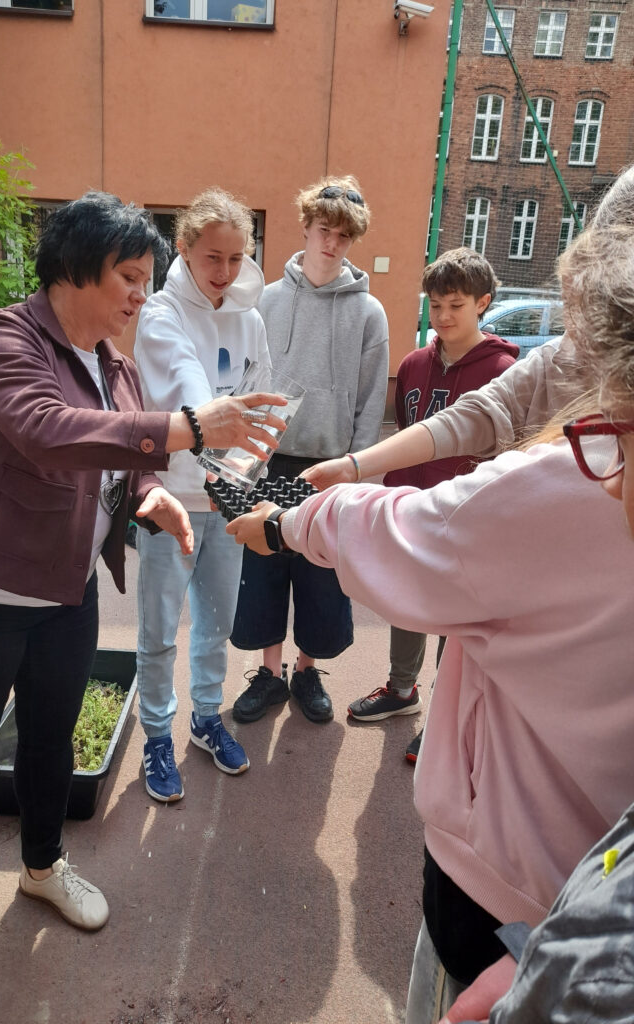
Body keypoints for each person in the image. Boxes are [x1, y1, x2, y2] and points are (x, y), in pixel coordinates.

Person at [0, 191, 287, 1024]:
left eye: (147, 278)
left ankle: (42, 867)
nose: (141, 294)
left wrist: (149, 496)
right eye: (129, 276)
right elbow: (48, 431)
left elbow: (116, 466)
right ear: (74, 269)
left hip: (64, 590)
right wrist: (187, 428)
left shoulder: (114, 362)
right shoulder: (3, 341)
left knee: (50, 739)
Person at [226, 221, 634, 1024]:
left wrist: (285, 522)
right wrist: (353, 467)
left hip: (506, 870)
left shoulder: (581, 479)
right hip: (597, 872)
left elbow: (421, 535)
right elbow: (486, 413)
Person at [437, 222, 634, 1024]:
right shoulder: (547, 375)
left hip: (512, 879)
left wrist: (560, 957)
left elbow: (425, 537)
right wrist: (549, 948)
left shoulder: (554, 482)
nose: (611, 479)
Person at [230, 175, 389, 725]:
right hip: (268, 461)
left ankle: (306, 670)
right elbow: (248, 380)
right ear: (305, 226)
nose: (332, 243)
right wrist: (241, 457)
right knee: (264, 574)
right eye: (324, 230)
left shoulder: (369, 313)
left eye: (344, 235)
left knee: (322, 579)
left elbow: (371, 399)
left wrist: (357, 469)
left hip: (331, 466)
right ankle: (269, 674)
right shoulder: (267, 301)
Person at [341, 248, 517, 737]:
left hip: (466, 515)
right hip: (412, 509)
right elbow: (406, 428)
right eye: (435, 305)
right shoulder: (414, 364)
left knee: (456, 617)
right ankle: (402, 690)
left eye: (455, 305)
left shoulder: (503, 369)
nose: (443, 316)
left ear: (482, 303)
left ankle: (444, 714)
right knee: (409, 599)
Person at [133, 187, 271, 802]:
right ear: (184, 248)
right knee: (160, 628)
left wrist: (248, 464)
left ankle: (207, 717)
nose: (225, 271)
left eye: (237, 258)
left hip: (229, 496)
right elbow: (186, 376)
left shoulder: (251, 316)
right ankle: (157, 736)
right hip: (172, 498)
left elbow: (264, 397)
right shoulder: (161, 313)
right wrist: (213, 421)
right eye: (213, 256)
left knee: (218, 620)